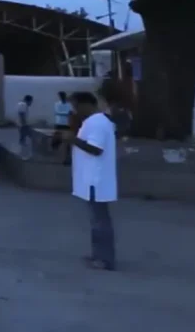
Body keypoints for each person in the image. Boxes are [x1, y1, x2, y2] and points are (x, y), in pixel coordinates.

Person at [70, 92, 117, 271]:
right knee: (97, 219)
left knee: (100, 221)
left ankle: (105, 259)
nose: (74, 111)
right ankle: (98, 255)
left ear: (85, 105)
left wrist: (72, 139)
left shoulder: (97, 123)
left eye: (76, 106)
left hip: (95, 180)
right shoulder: (95, 121)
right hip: (92, 179)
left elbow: (96, 149)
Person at [50, 91, 74, 156]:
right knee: (57, 138)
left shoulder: (69, 104)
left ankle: (67, 154)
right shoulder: (57, 104)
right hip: (59, 123)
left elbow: (70, 112)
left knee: (67, 139)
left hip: (67, 124)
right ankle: (55, 151)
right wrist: (66, 114)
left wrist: (64, 113)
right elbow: (57, 112)